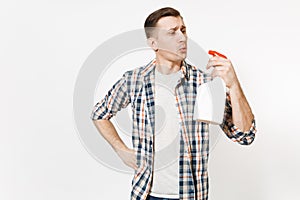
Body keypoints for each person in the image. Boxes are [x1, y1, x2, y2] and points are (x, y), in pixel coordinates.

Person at [90, 7, 256, 200]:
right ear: (154, 43)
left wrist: (234, 85)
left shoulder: (204, 83)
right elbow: (99, 114)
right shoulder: (134, 80)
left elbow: (244, 135)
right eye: (172, 33)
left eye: (183, 30)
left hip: (191, 195)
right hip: (146, 194)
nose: (182, 38)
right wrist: (121, 150)